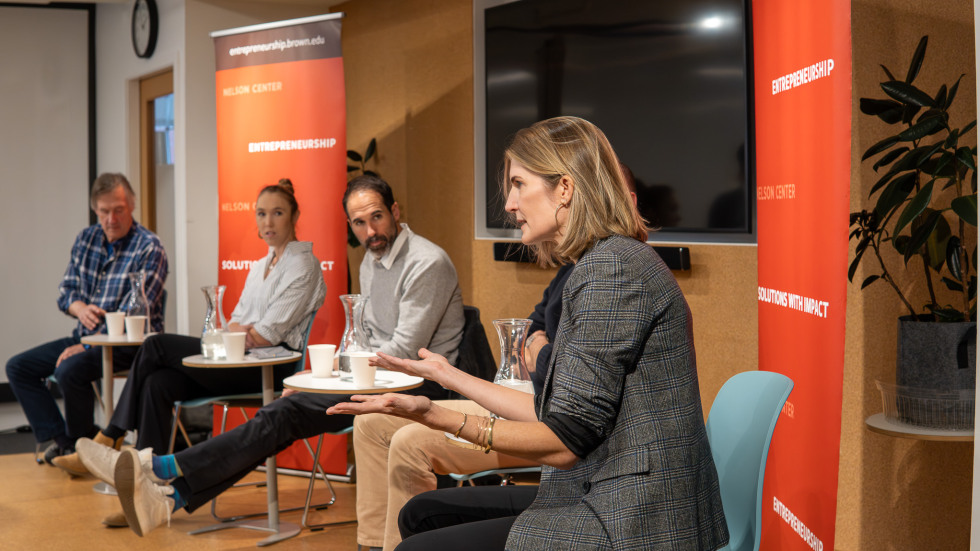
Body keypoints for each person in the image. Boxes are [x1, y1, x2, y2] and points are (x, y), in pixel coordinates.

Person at [327, 116, 729, 550]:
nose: (511, 204)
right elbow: (553, 412)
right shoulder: (601, 263)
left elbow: (564, 441)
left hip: (634, 517)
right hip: (602, 485)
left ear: (565, 189)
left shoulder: (612, 271)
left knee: (418, 541)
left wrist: (432, 413)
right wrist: (446, 375)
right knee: (420, 513)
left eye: (518, 184)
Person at [79, 174, 465, 536]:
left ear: (395, 212)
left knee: (279, 414)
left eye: (377, 217)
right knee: (269, 412)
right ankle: (166, 498)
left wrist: (323, 381)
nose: (370, 231)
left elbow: (402, 352)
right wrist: (320, 379)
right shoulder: (372, 260)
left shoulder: (425, 262)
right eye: (359, 223)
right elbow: (364, 340)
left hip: (417, 388)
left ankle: (156, 467)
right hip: (374, 379)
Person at [53, 178, 326, 475]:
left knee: (155, 344)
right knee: (158, 382)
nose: (268, 221)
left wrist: (246, 332)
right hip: (239, 358)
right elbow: (235, 321)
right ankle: (146, 481)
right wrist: (244, 331)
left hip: (271, 368)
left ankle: (111, 434)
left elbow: (264, 336)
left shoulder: (303, 264)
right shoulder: (260, 266)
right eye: (261, 213)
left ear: (295, 216)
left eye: (278, 212)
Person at [353, 263, 572, 551]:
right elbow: (532, 326)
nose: (510, 214)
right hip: (530, 399)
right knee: (370, 423)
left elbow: (558, 369)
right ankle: (371, 545)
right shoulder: (569, 268)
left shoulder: (607, 273)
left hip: (548, 416)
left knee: (410, 441)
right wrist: (448, 375)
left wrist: (540, 350)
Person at [6, 172, 168, 464]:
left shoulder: (149, 247)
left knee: (70, 370)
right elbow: (65, 290)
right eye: (104, 211)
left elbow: (136, 310)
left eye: (118, 210)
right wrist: (78, 307)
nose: (111, 219)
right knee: (19, 367)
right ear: (96, 210)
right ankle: (69, 443)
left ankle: (87, 449)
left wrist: (89, 346)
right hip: (84, 336)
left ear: (132, 206)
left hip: (130, 345)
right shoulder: (87, 238)